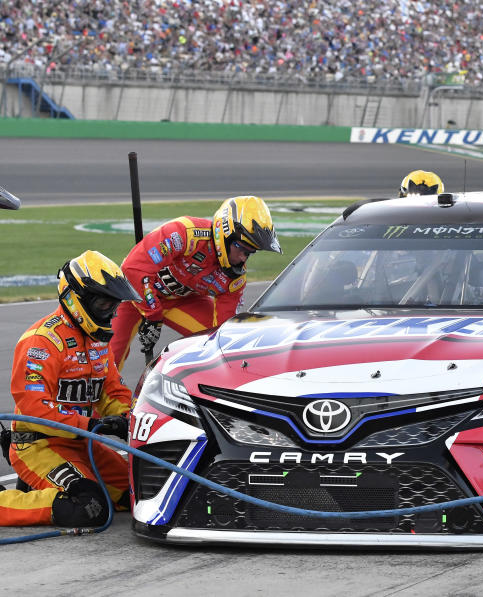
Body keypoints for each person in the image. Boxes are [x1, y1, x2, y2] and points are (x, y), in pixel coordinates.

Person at [0, 251, 139, 526]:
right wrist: (90, 425)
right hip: (38, 445)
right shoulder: (41, 344)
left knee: (137, 495)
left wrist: (126, 418)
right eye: (103, 304)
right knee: (88, 506)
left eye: (114, 306)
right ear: (77, 299)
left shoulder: (98, 342)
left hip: (81, 442)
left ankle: (48, 487)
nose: (110, 314)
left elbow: (112, 391)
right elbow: (35, 409)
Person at [108, 195, 281, 371]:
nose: (243, 258)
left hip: (183, 302)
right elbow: (132, 268)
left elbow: (224, 328)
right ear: (225, 234)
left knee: (226, 346)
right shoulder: (184, 233)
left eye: (250, 253)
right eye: (242, 249)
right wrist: (153, 314)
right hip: (135, 295)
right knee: (108, 360)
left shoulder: (234, 278)